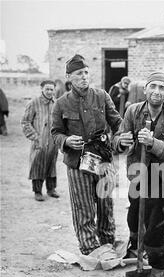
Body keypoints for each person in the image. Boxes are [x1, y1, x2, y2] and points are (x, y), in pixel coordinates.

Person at [113, 71, 164, 277]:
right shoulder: (132, 111)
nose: (156, 91)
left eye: (162, 88)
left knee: (155, 222)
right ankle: (137, 249)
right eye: (153, 86)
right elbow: (117, 139)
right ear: (145, 89)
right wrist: (122, 141)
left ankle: (160, 264)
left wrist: (153, 143)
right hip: (139, 172)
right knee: (135, 215)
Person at [51, 54, 122, 255]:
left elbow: (117, 122)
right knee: (83, 207)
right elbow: (55, 132)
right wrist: (66, 141)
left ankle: (107, 242)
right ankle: (89, 247)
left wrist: (123, 136)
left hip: (103, 158)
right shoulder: (61, 104)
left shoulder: (102, 96)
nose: (84, 77)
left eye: (86, 72)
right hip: (77, 161)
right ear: (69, 77)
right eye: (79, 73)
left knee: (105, 203)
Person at [21, 80, 59, 201]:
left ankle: (51, 189)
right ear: (41, 89)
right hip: (39, 142)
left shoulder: (56, 103)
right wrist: (35, 137)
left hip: (53, 142)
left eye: (52, 89)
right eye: (47, 89)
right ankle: (37, 191)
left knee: (52, 165)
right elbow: (25, 122)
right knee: (37, 165)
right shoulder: (34, 103)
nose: (49, 92)